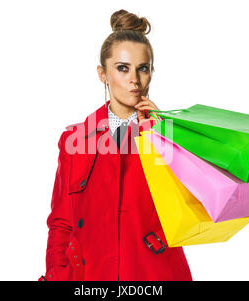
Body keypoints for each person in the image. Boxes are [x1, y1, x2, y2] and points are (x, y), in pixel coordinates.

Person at [39, 9, 193, 281]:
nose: (134, 79)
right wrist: (57, 275)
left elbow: (190, 209)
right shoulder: (75, 141)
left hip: (153, 275)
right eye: (122, 68)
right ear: (102, 74)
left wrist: (160, 135)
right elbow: (62, 223)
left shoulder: (168, 136)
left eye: (142, 68)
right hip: (90, 276)